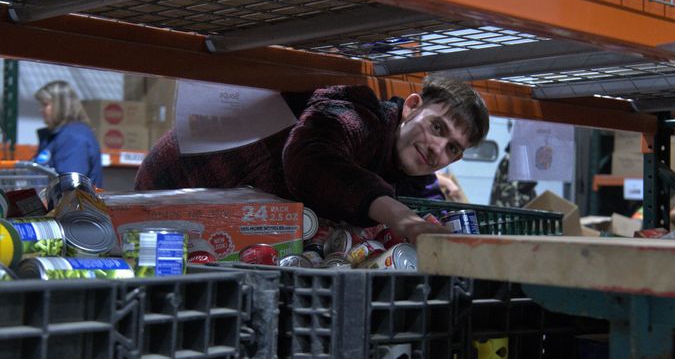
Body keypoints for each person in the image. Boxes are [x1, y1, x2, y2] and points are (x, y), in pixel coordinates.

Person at [135, 76, 489, 243]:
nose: (438, 149)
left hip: (219, 228)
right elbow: (309, 159)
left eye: (454, 148)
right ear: (411, 107)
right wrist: (400, 217)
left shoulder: (394, 164)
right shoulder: (360, 114)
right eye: (437, 127)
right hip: (172, 191)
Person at [33, 80, 103, 187]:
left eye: (45, 105)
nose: (41, 110)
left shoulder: (74, 138)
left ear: (60, 106)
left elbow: (70, 188)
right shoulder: (56, 136)